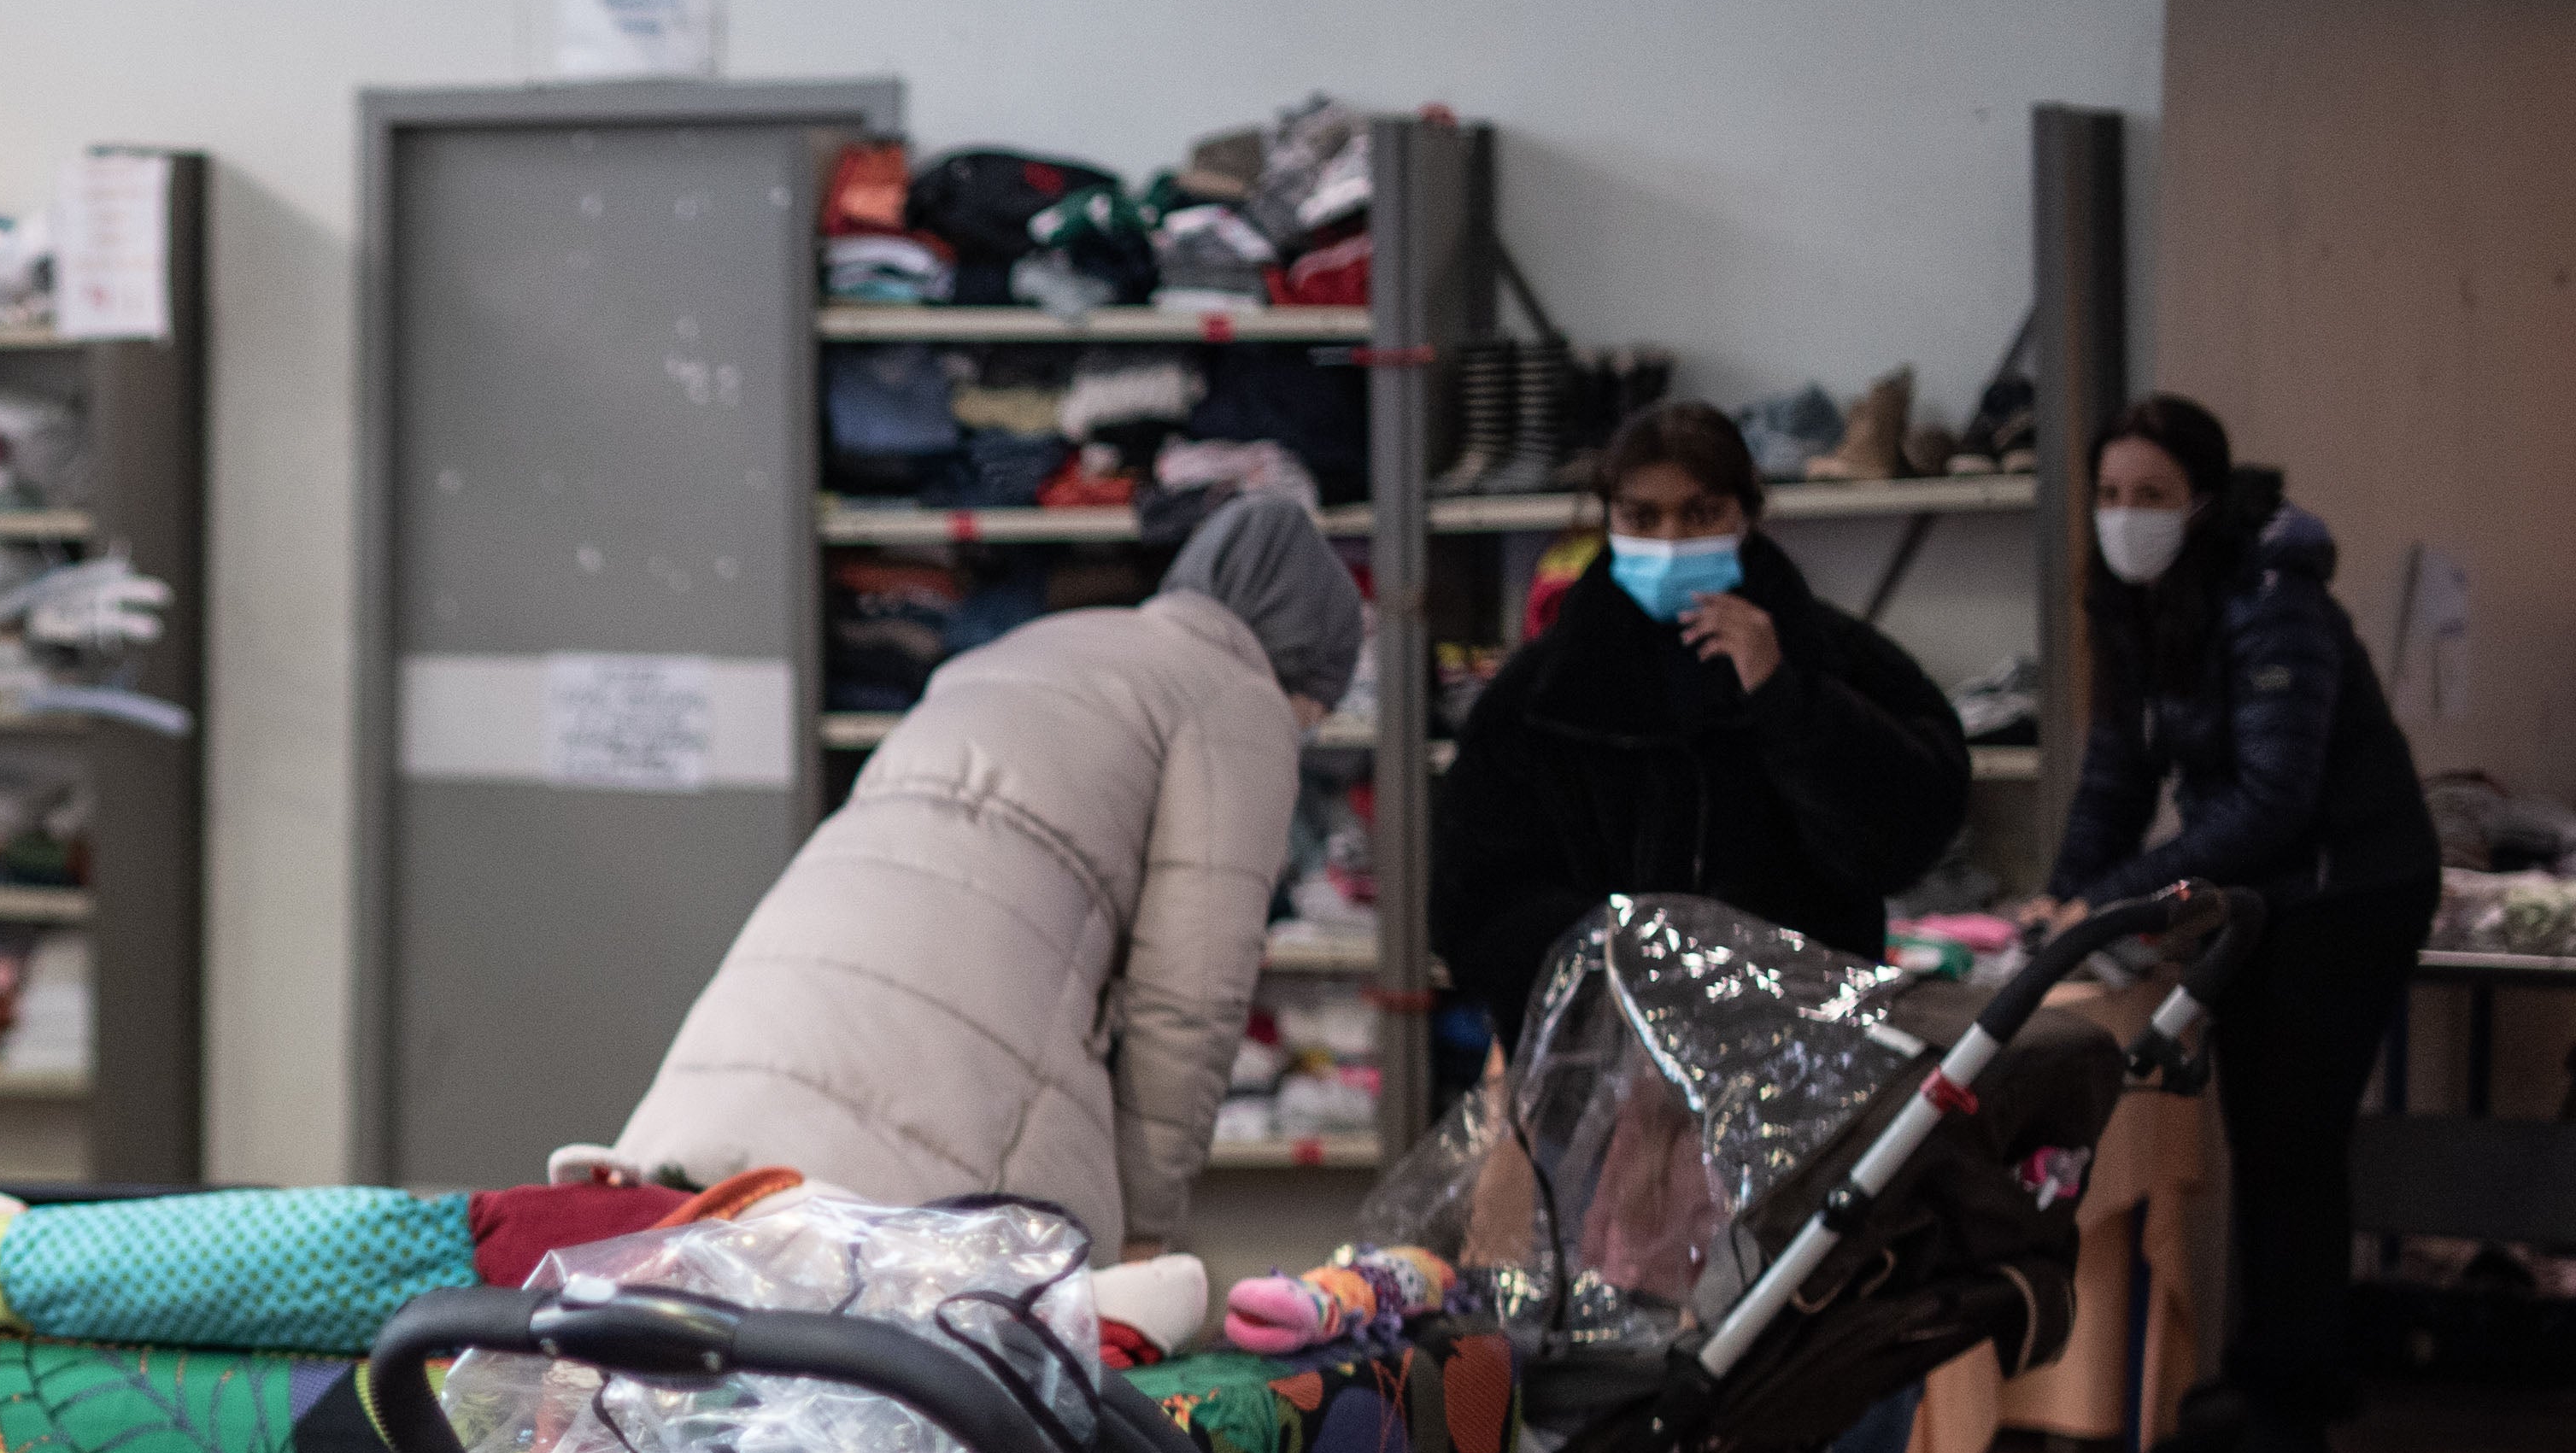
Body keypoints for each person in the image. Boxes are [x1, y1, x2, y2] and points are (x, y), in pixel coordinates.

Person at [592, 487, 1365, 1257]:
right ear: (1300, 664)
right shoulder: (1238, 698)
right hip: (925, 1129)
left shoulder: (1027, 645)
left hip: (735, 1062)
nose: (1303, 734)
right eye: (1315, 715)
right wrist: (1147, 1232)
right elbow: (1190, 1001)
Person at [2034, 394, 2440, 1453]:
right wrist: (2067, 896)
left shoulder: (2274, 603)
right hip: (2265, 897)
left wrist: (2114, 907)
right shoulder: (2134, 603)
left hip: (2346, 889)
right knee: (2258, 1133)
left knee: (2292, 1141)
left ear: (2202, 501)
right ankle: (2266, 1377)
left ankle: (2291, 1414)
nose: (2126, 519)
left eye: (2151, 497)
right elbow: (2117, 774)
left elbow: (2272, 800)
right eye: (2111, 496)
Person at [1431, 399, 1970, 1038]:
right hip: (1604, 1065)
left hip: (1803, 1049)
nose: (1670, 541)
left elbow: (1905, 840)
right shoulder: (1539, 693)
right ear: (1608, 520)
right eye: (1642, 517)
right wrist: (1621, 962)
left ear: (1746, 514)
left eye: (1700, 513)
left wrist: (1786, 697)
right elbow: (1472, 899)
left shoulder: (1837, 660)